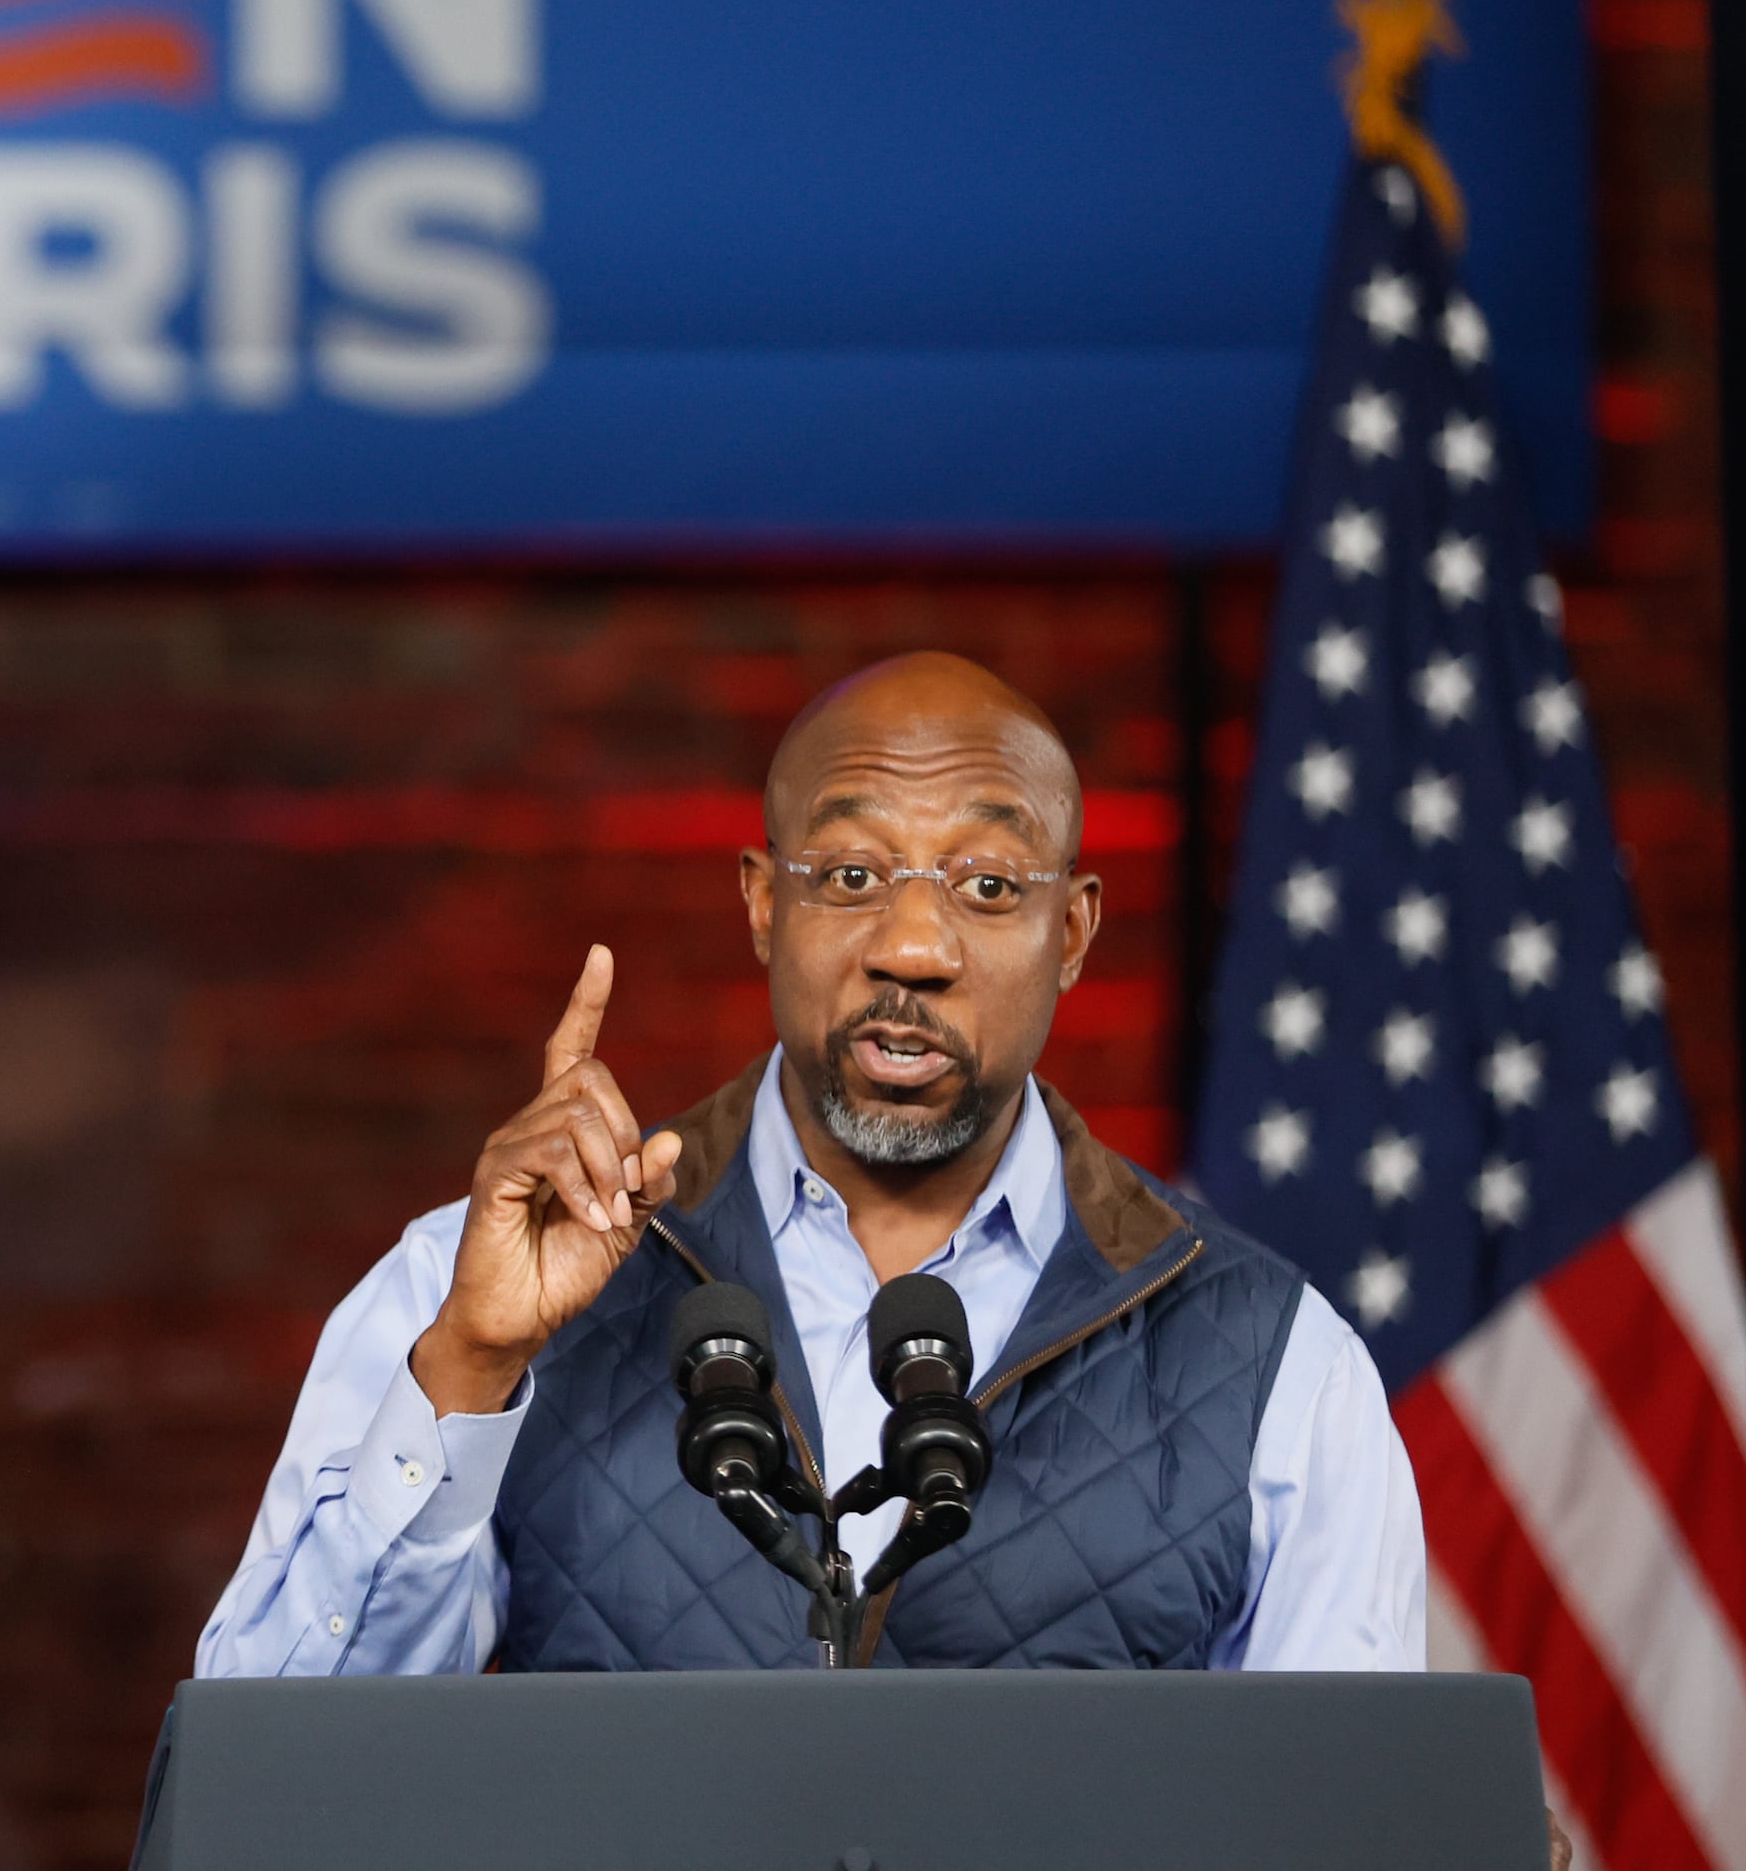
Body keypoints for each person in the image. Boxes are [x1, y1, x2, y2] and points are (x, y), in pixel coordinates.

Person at [197, 651, 1425, 1673]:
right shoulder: (464, 1290)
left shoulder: (1276, 1364)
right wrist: (470, 1369)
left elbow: (1344, 1821)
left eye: (988, 885)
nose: (912, 943)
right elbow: (278, 1786)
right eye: (850, 875)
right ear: (762, 905)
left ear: (1075, 931)